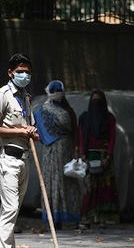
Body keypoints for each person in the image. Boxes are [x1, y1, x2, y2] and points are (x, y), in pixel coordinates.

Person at [0, 53, 40, 248]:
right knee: (9, 208)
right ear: (11, 73)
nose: (24, 75)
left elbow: (30, 127)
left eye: (27, 71)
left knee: (14, 210)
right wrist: (19, 131)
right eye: (20, 71)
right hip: (7, 159)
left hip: (24, 159)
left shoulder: (26, 97)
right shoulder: (2, 95)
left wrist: (32, 133)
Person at [34, 80, 81, 229]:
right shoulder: (42, 111)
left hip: (66, 151)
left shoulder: (68, 110)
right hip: (50, 152)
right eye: (52, 91)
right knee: (50, 182)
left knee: (67, 182)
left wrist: (76, 149)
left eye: (57, 91)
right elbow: (39, 132)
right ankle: (54, 219)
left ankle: (71, 217)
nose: (55, 94)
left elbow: (75, 131)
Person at [78, 89, 120, 227]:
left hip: (104, 156)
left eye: (99, 101)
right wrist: (83, 156)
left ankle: (103, 218)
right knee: (89, 188)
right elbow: (81, 137)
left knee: (105, 187)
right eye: (94, 101)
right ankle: (87, 218)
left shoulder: (109, 118)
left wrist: (108, 156)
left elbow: (112, 138)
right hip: (89, 156)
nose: (96, 104)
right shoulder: (85, 118)